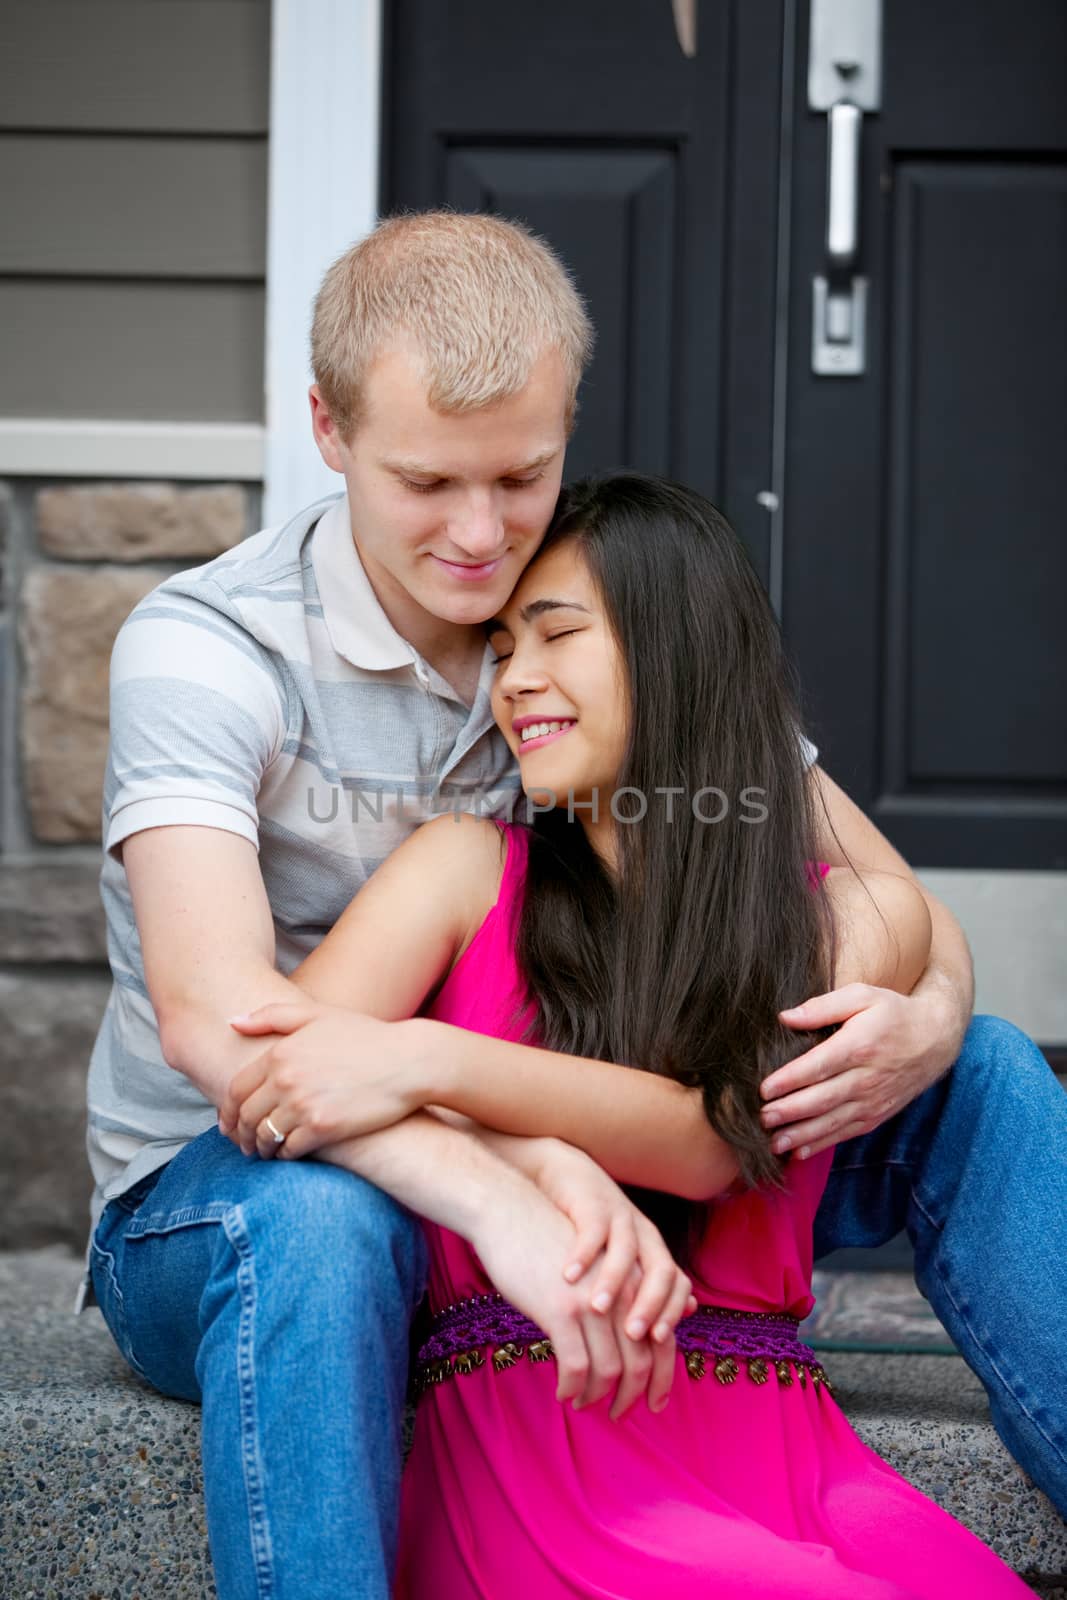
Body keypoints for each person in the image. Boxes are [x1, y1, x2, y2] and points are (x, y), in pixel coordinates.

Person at [82, 212, 1067, 1600]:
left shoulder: (594, 624)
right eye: (426, 481)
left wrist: (928, 1011)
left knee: (985, 1078)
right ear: (325, 426)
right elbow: (230, 1035)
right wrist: (509, 1187)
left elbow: (870, 885)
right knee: (321, 1222)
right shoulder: (210, 652)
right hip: (243, 1192)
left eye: (520, 475)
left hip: (621, 1145)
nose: (479, 537)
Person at [219, 473, 1034, 1596]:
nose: (516, 681)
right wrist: (503, 1141)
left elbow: (714, 1139)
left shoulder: (857, 914)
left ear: (679, 650)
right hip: (545, 1446)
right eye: (501, 649)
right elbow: (274, 1072)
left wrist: (424, 1058)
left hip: (788, 1461)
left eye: (555, 634)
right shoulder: (461, 869)